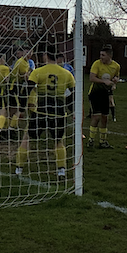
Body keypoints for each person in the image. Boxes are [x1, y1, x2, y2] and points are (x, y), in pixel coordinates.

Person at [15, 46, 76, 179]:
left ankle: (19, 169)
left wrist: (21, 110)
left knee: (27, 138)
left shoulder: (38, 72)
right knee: (59, 141)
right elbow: (72, 95)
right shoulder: (67, 74)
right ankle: (61, 171)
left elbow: (27, 91)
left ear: (45, 56)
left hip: (41, 111)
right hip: (59, 113)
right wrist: (73, 112)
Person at [87, 46, 120, 149]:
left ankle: (103, 142)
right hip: (95, 93)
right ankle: (91, 140)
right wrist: (104, 81)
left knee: (105, 117)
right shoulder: (97, 64)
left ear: (109, 56)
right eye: (100, 55)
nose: (101, 57)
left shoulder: (116, 66)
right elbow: (91, 78)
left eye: (103, 55)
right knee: (96, 116)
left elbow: (116, 77)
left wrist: (115, 81)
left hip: (106, 93)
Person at [8, 48, 32, 134]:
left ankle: (7, 127)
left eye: (30, 52)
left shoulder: (26, 62)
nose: (29, 54)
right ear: (23, 53)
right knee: (19, 108)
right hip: (15, 87)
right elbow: (23, 76)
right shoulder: (21, 62)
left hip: (18, 87)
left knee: (13, 109)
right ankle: (11, 128)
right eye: (27, 52)